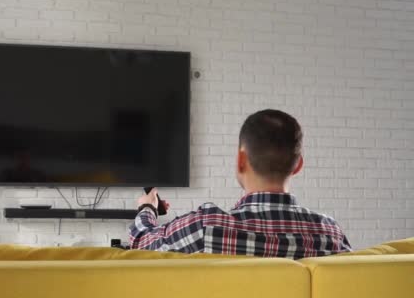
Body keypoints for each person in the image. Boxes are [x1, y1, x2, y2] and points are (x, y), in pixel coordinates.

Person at [130, 109, 351, 259]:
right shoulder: (330, 233)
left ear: (241, 160)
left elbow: (140, 247)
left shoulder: (206, 226)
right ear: (298, 165)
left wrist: (147, 208)